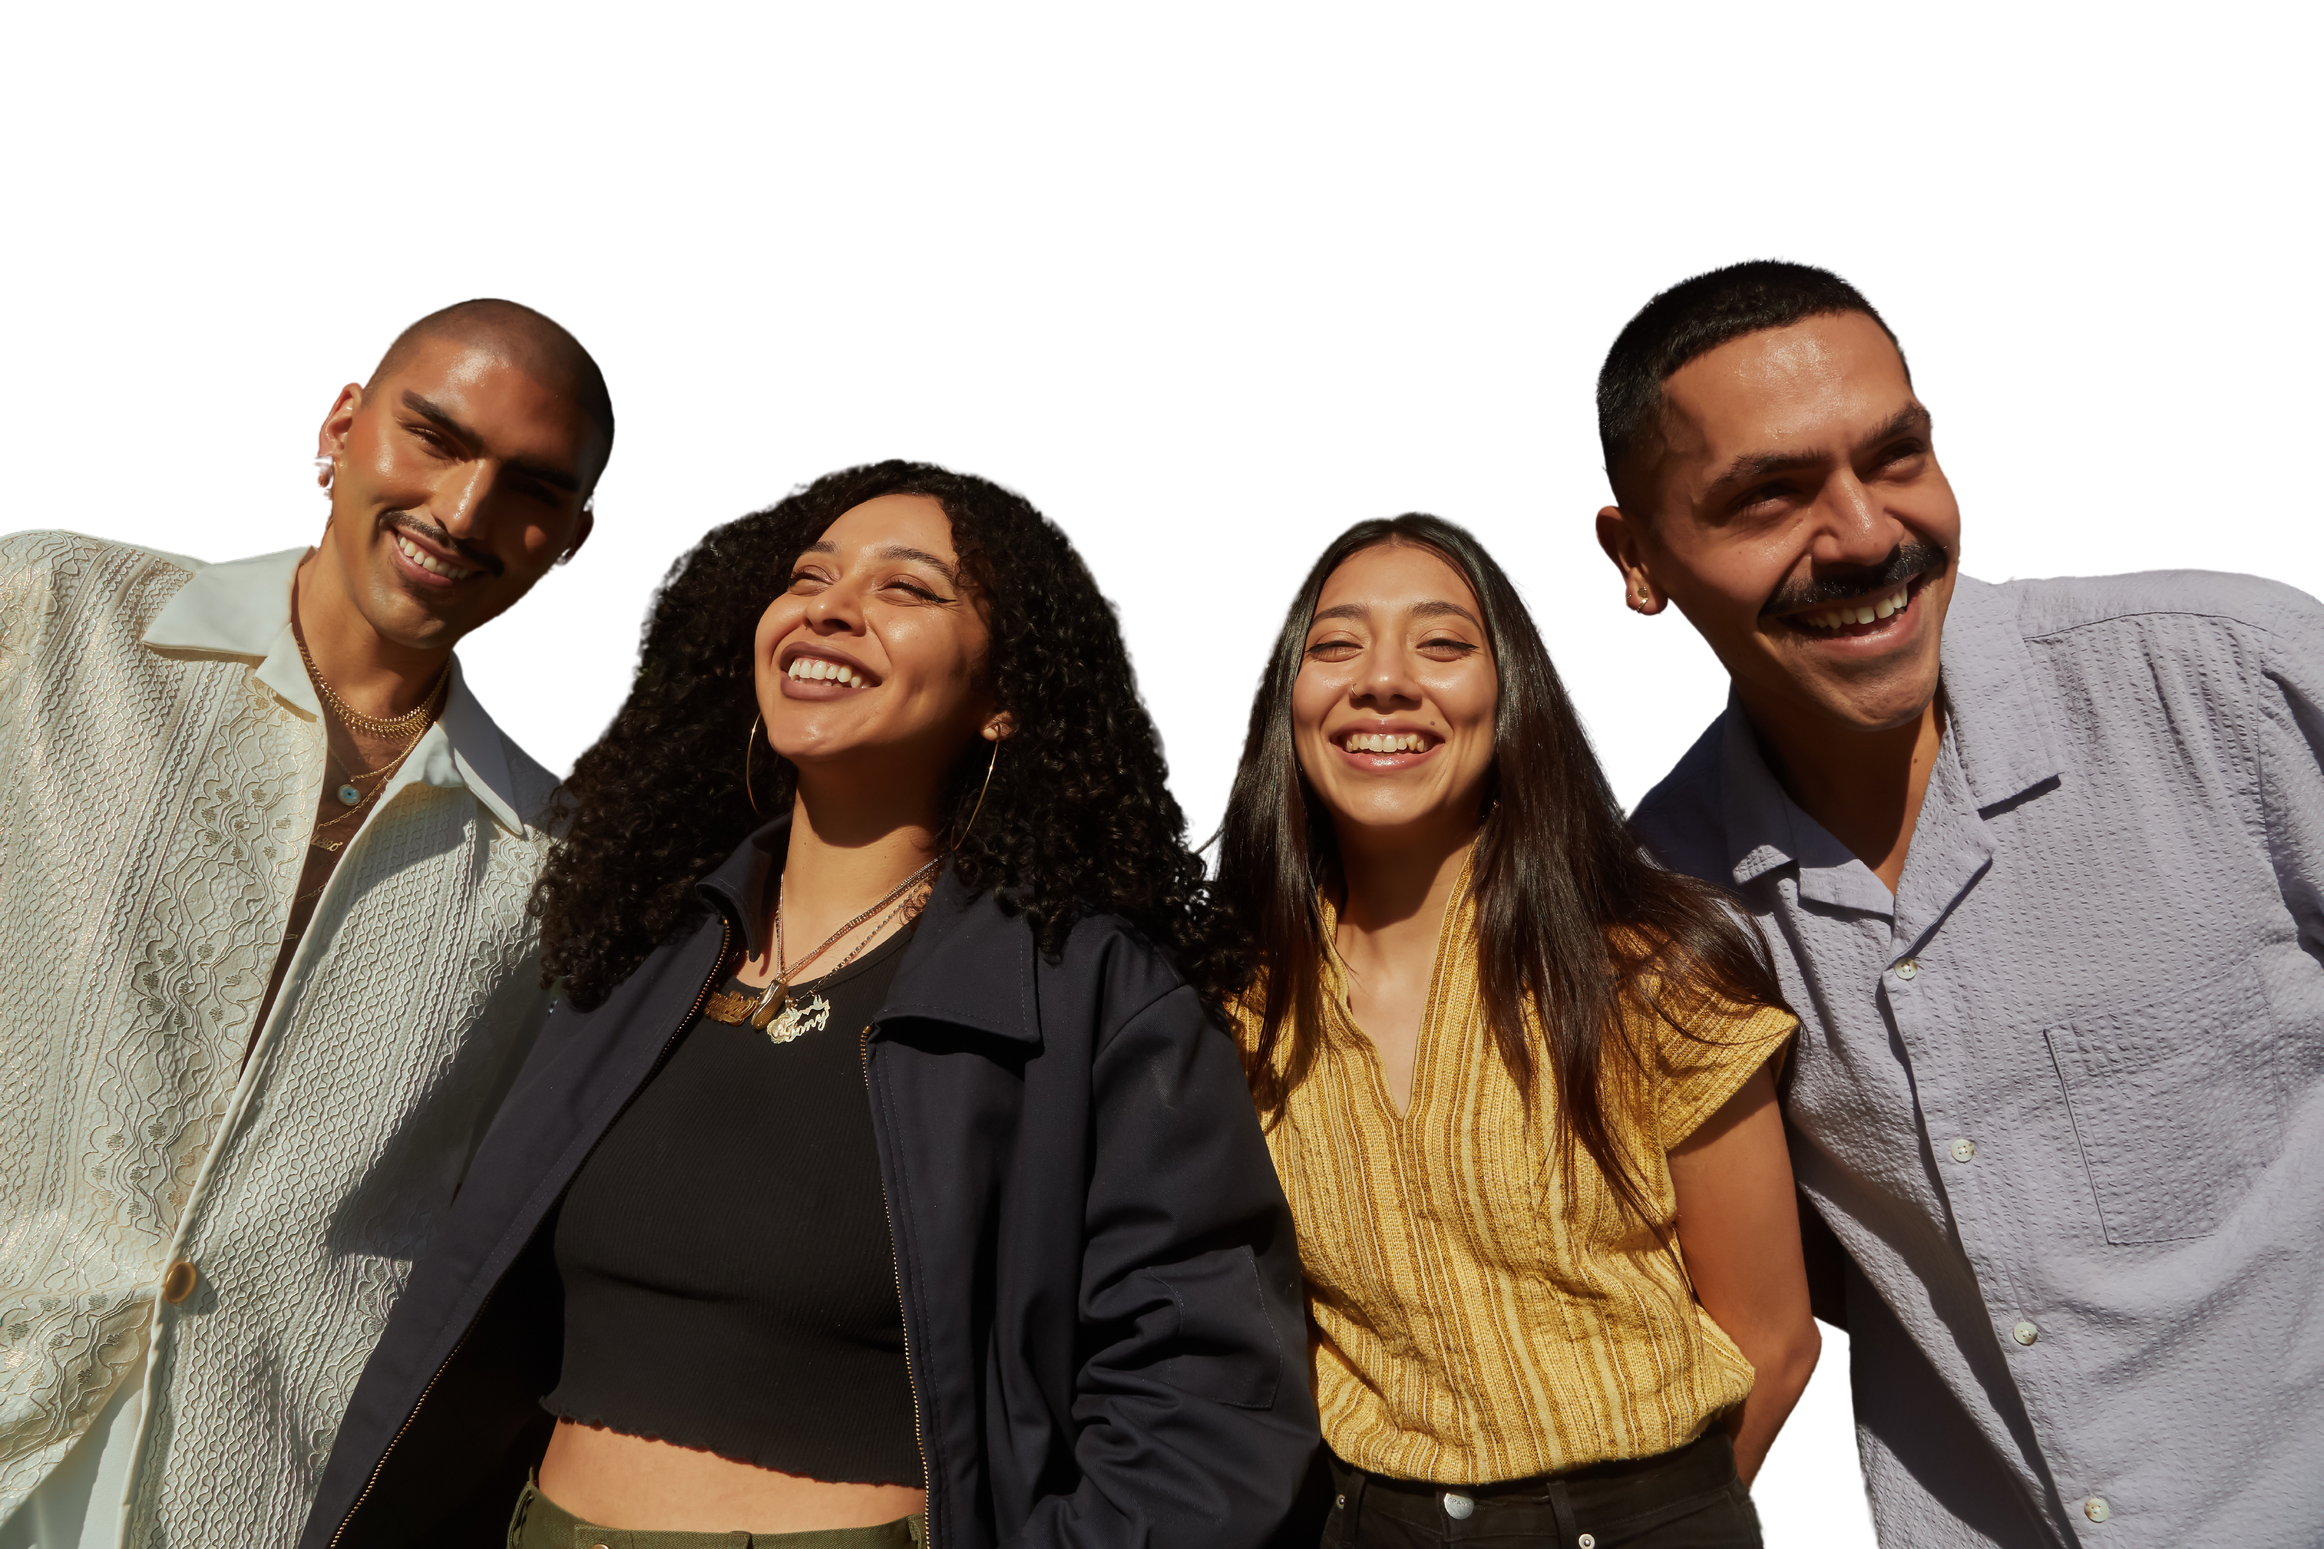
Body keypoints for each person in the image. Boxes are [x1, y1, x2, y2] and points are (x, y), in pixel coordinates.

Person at [298, 456, 1318, 1549]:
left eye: (907, 589)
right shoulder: (638, 949)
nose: (831, 607)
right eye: (809, 577)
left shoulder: (1093, 990)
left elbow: (1206, 1396)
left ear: (1004, 702)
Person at [1594, 257, 2324, 1545]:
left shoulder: (2232, 682)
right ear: (1637, 560)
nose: (1866, 533)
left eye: (1895, 457)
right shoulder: (1655, 901)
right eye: (1769, 494)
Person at [0, 296, 610, 1546]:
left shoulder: (560, 863)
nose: (461, 510)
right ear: (339, 428)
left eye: (530, 486)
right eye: (433, 437)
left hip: (261, 1496)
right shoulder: (49, 611)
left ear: (575, 539)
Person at [1209, 510, 1821, 1548]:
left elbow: (1775, 1335)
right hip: (1365, 1519)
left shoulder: (1647, 966)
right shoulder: (1232, 996)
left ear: (1510, 694)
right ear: (1287, 699)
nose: (1384, 680)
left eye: (1440, 643)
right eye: (1335, 644)